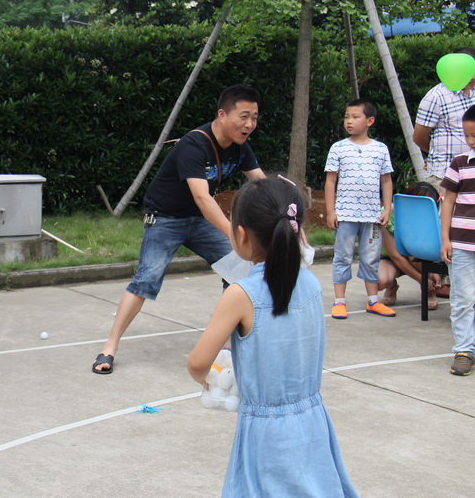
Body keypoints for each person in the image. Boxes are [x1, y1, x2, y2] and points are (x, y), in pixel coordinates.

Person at [187, 178, 358, 497]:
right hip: (312, 421)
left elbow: (198, 363)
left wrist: (208, 379)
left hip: (266, 432)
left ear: (241, 235)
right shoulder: (311, 283)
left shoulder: (240, 294)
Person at [92, 84, 266, 374]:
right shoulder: (193, 145)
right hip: (165, 218)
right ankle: (110, 346)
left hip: (199, 220)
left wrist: (286, 210)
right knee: (146, 279)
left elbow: (262, 185)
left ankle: (227, 344)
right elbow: (202, 198)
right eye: (244, 116)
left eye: (255, 118)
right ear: (222, 115)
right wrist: (234, 234)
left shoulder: (240, 148)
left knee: (239, 269)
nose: (249, 124)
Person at [325, 98, 395, 319]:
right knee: (342, 256)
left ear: (369, 121)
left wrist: (386, 209)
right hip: (345, 215)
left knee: (371, 257)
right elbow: (330, 181)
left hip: (372, 217)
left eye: (355, 117)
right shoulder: (338, 148)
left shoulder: (380, 149)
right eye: (347, 117)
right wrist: (331, 211)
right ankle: (339, 301)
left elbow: (386, 181)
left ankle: (373, 301)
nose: (349, 121)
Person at [440, 104, 475, 376]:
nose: (470, 140)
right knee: (463, 299)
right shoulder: (460, 163)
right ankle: (464, 350)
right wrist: (445, 239)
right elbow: (448, 202)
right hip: (462, 245)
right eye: (467, 135)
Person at [413, 47, 475, 192]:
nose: (473, 77)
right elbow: (419, 137)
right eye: (468, 71)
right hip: (445, 175)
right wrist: (436, 156)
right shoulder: (436, 97)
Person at [379, 182, 442, 310]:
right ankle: (391, 285)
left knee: (417, 254)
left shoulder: (432, 218)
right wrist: (422, 279)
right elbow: (395, 255)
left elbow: (430, 248)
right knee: (379, 281)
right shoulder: (387, 214)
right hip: (390, 258)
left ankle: (429, 291)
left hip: (416, 255)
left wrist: (434, 271)